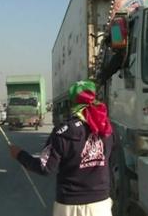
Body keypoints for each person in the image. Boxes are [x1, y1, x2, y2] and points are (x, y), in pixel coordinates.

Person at [9, 80, 114, 216]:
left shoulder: (63, 132)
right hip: (100, 205)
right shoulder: (107, 129)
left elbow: (45, 167)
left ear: (72, 103)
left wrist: (19, 154)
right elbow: (111, 161)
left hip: (70, 206)